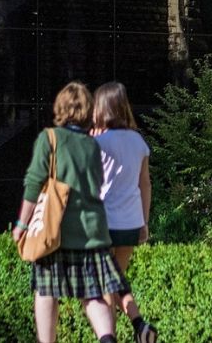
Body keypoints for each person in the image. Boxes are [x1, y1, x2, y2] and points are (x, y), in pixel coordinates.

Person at [12, 81, 127, 343]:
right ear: (87, 111)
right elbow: (97, 184)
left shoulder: (49, 138)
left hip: (56, 232)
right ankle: (107, 338)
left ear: (61, 107)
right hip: (91, 232)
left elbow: (33, 184)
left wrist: (21, 224)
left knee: (46, 292)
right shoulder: (92, 145)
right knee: (93, 295)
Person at [91, 82, 159, 343]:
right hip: (131, 222)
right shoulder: (138, 141)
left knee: (105, 286)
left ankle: (112, 337)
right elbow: (145, 184)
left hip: (104, 222)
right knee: (116, 279)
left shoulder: (98, 143)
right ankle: (140, 327)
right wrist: (144, 222)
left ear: (101, 108)